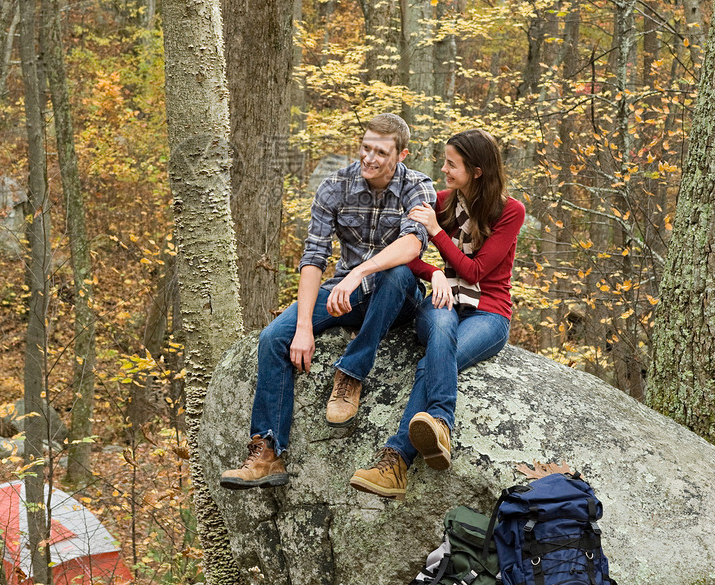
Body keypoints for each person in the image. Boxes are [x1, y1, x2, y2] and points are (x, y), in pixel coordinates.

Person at [220, 114, 436, 490]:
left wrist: (358, 273)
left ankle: (351, 373)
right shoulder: (334, 186)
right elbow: (314, 257)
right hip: (343, 293)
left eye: (381, 152)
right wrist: (303, 326)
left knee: (398, 272)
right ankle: (268, 451)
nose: (369, 158)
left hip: (395, 297)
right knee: (274, 337)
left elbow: (412, 245)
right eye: (366, 147)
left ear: (401, 154)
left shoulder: (418, 187)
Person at [350, 128, 525, 500]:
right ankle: (440, 424)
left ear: (476, 171)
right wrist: (432, 273)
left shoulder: (510, 212)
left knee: (433, 362)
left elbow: (476, 271)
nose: (443, 169)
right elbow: (401, 250)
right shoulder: (440, 202)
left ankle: (396, 461)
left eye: (451, 164)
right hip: (444, 303)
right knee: (441, 328)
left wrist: (436, 232)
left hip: (489, 314)